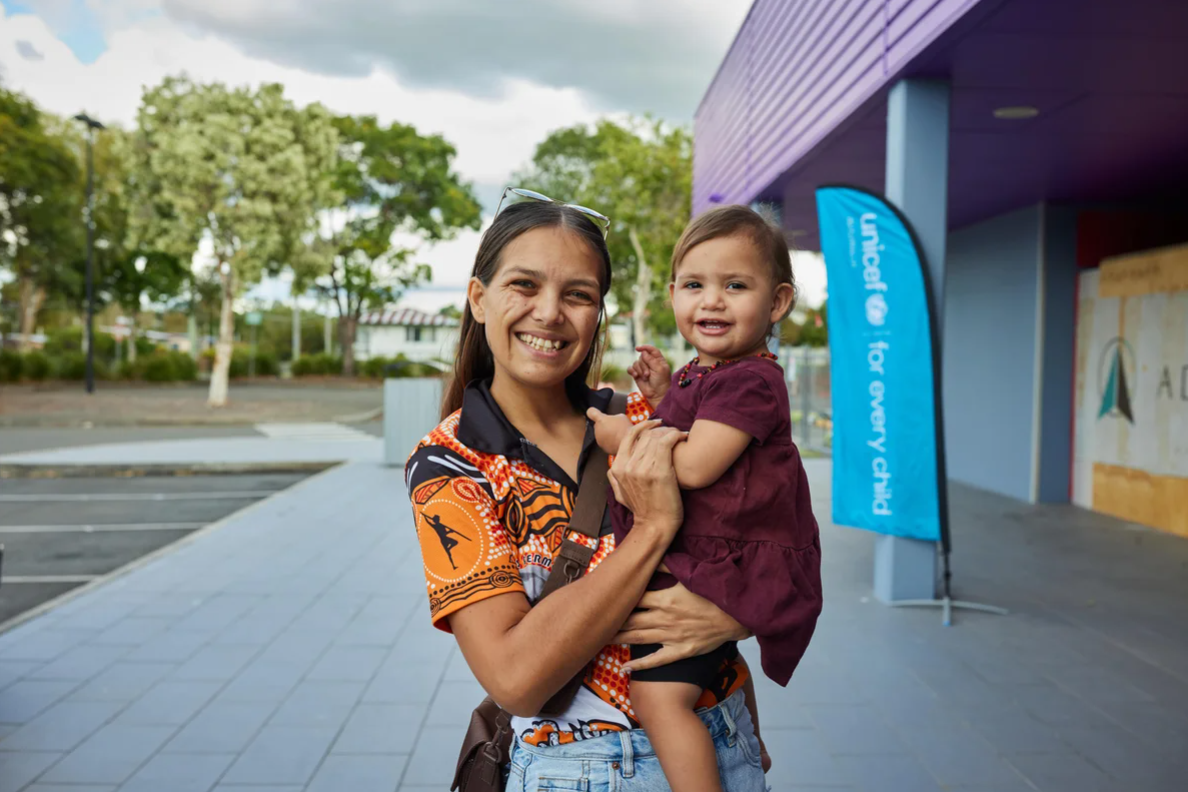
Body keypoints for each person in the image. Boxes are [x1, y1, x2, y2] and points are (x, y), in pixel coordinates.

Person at [405, 190, 768, 790]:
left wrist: (736, 617)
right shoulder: (450, 464)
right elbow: (516, 680)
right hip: (582, 767)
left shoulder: (643, 420)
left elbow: (764, 538)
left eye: (578, 295)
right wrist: (650, 530)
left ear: (597, 314)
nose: (549, 313)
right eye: (524, 285)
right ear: (478, 298)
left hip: (722, 743)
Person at [587, 205, 824, 792]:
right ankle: (752, 745)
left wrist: (622, 438)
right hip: (717, 550)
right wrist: (665, 392)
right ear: (673, 295)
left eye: (735, 285)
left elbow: (692, 464)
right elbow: (692, 423)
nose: (712, 301)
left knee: (658, 697)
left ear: (777, 303)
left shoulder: (751, 378)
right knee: (710, 662)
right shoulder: (707, 372)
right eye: (695, 285)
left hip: (730, 556)